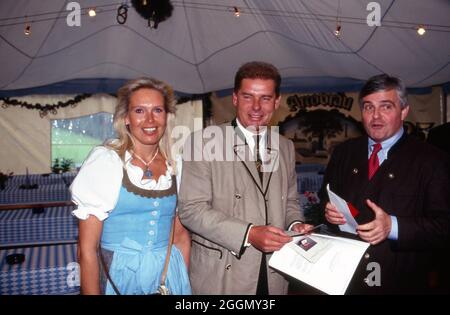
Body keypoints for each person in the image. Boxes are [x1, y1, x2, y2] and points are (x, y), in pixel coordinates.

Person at [178, 61, 312, 295]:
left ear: (277, 101)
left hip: (273, 275)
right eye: (248, 97)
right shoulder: (203, 142)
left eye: (265, 98)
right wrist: (249, 233)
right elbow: (191, 210)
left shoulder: (284, 146)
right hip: (223, 276)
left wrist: (294, 224)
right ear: (235, 98)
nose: (256, 107)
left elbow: (289, 201)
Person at [322, 74, 450, 294]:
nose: (376, 116)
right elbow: (326, 196)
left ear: (404, 111)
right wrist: (328, 212)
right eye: (368, 107)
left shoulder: (432, 160)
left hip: (400, 282)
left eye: (386, 107)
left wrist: (393, 227)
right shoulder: (344, 153)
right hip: (347, 280)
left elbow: (444, 227)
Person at [70, 77, 191, 295]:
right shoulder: (106, 162)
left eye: (157, 110)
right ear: (126, 118)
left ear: (167, 116)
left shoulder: (176, 164)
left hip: (167, 276)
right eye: (139, 111)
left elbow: (181, 236)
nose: (150, 120)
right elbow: (86, 250)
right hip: (120, 275)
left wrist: (181, 280)